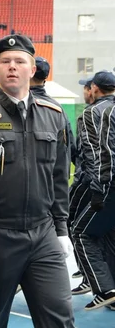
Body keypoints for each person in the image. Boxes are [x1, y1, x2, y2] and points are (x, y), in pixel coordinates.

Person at [0, 34, 74, 327]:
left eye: (19, 61)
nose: (12, 66)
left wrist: (61, 228)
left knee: (60, 317)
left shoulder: (53, 115)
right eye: (5, 62)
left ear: (32, 69)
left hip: (44, 235)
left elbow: (59, 176)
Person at [72, 70, 115, 310]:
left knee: (79, 231)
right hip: (105, 181)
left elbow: (97, 152)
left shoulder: (96, 113)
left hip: (101, 183)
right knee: (109, 235)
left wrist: (97, 188)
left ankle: (102, 287)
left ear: (95, 88)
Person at [68, 77, 95, 294]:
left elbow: (84, 152)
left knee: (77, 228)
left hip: (90, 181)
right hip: (97, 181)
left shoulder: (90, 114)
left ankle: (93, 279)